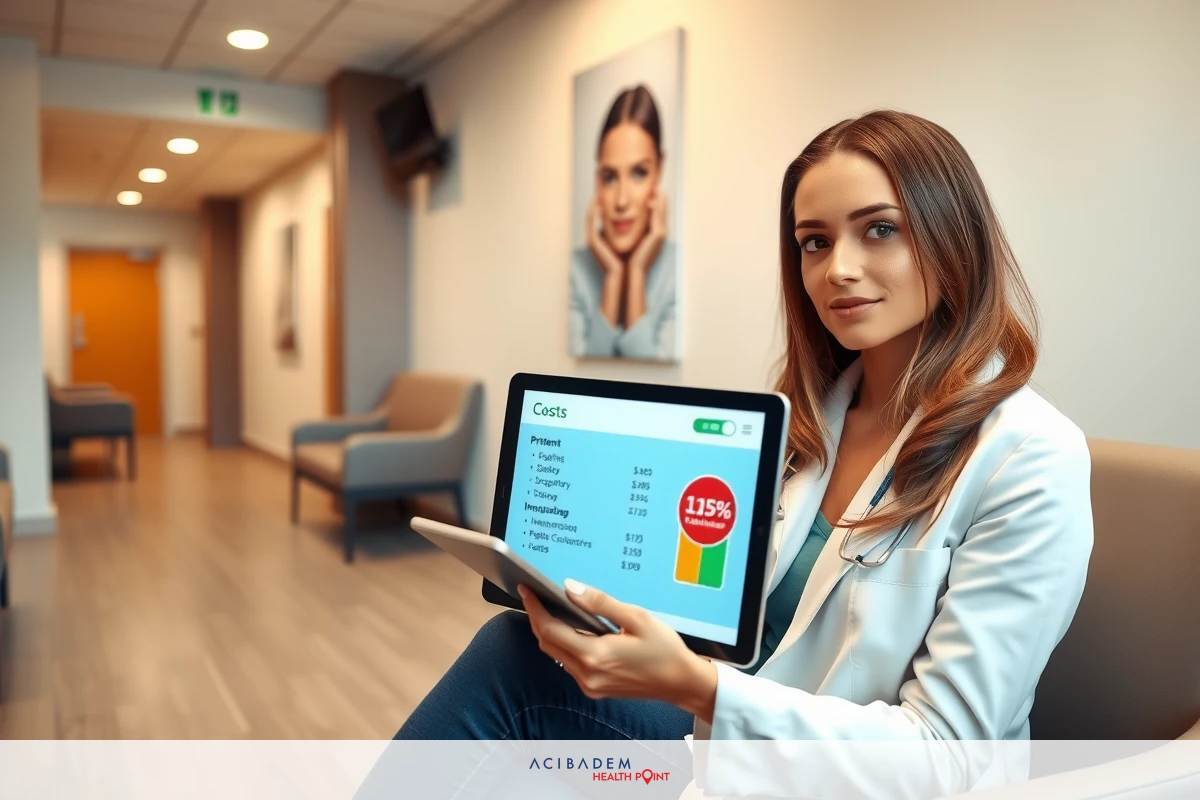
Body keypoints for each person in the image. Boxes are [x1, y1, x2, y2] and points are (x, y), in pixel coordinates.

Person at [392, 110, 1094, 795]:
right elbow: (733, 627)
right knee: (515, 649)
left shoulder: (1030, 458)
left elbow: (944, 760)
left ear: (953, 239)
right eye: (814, 242)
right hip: (735, 744)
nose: (838, 269)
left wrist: (697, 686)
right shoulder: (803, 423)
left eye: (880, 230)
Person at [569, 84, 677, 360]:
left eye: (639, 173)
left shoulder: (678, 269)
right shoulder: (576, 269)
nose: (621, 201)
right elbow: (586, 378)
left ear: (659, 170)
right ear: (597, 182)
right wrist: (615, 275)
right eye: (609, 177)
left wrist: (637, 271)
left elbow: (651, 384)